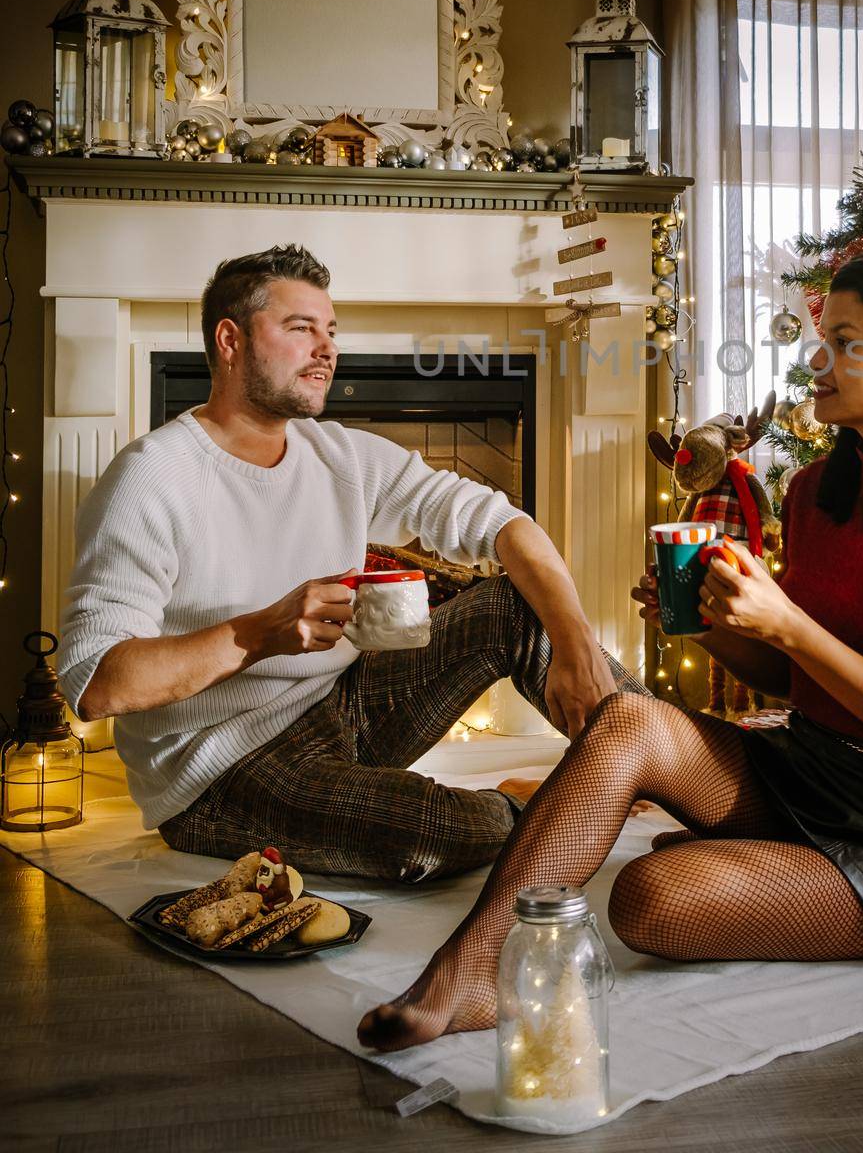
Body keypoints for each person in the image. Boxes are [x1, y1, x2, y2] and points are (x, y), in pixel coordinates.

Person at [358, 250, 863, 1050]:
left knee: (648, 900)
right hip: (806, 771)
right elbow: (798, 681)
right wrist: (715, 626)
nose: (814, 359)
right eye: (820, 337)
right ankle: (471, 973)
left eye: (844, 342)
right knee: (628, 721)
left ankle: (768, 868)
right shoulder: (820, 490)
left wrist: (784, 622)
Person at [58, 244, 640, 882]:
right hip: (221, 769)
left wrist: (576, 643)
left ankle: (681, 766)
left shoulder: (341, 455)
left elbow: (506, 525)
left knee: (513, 605)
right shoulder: (150, 478)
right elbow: (96, 683)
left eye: (330, 331)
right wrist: (259, 633)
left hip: (346, 704)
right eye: (300, 328)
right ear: (230, 340)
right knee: (438, 834)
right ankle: (552, 802)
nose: (327, 349)